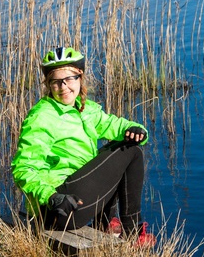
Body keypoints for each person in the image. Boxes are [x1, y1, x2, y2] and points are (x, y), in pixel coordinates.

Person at [11, 46, 155, 246]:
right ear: (48, 84)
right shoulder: (42, 116)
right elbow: (23, 168)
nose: (64, 87)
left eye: (69, 79)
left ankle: (104, 223)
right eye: (56, 81)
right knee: (132, 152)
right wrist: (51, 197)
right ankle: (132, 232)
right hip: (58, 208)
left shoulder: (84, 109)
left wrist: (136, 129)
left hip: (74, 200)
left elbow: (113, 125)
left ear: (80, 77)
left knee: (125, 143)